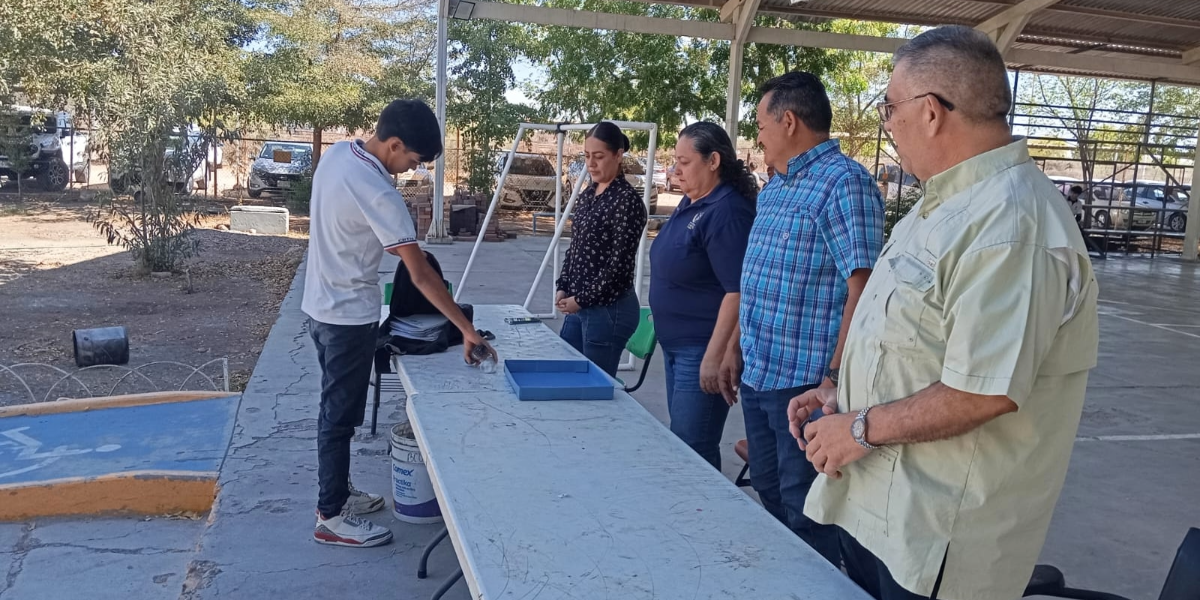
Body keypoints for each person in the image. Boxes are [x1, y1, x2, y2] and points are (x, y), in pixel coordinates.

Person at [790, 26, 1099, 600]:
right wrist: (841, 396)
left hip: (936, 537)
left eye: (889, 109)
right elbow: (913, 343)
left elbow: (983, 391)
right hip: (880, 509)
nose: (889, 125)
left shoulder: (1009, 226)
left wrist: (859, 428)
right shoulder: (945, 206)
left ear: (930, 112)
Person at [302, 99, 495, 548]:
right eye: (414, 160)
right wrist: (466, 329)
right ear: (393, 144)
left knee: (339, 411)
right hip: (347, 316)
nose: (413, 169)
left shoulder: (337, 155)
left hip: (318, 306)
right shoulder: (379, 190)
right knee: (338, 418)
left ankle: (339, 490)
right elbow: (421, 273)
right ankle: (330, 515)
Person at [718, 72, 884, 563]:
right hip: (761, 373)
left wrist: (832, 376)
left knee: (808, 507)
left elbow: (864, 291)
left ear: (788, 121)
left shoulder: (844, 184)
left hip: (806, 386)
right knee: (769, 488)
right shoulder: (775, 189)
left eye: (761, 125)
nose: (758, 136)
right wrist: (734, 349)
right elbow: (755, 280)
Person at [648, 122, 756, 469]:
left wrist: (715, 355)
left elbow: (737, 290)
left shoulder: (727, 211)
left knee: (691, 450)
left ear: (713, 161)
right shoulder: (692, 201)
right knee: (684, 443)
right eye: (674, 161)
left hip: (702, 348)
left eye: (684, 161)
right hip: (678, 347)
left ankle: (701, 518)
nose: (675, 169)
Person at [555, 122, 648, 376]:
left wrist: (580, 300)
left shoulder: (626, 202)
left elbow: (618, 268)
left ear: (618, 155)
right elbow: (575, 249)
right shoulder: (588, 195)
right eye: (586, 156)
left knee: (594, 386)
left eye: (599, 156)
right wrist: (563, 284)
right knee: (567, 373)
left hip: (608, 309)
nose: (591, 164)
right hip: (580, 302)